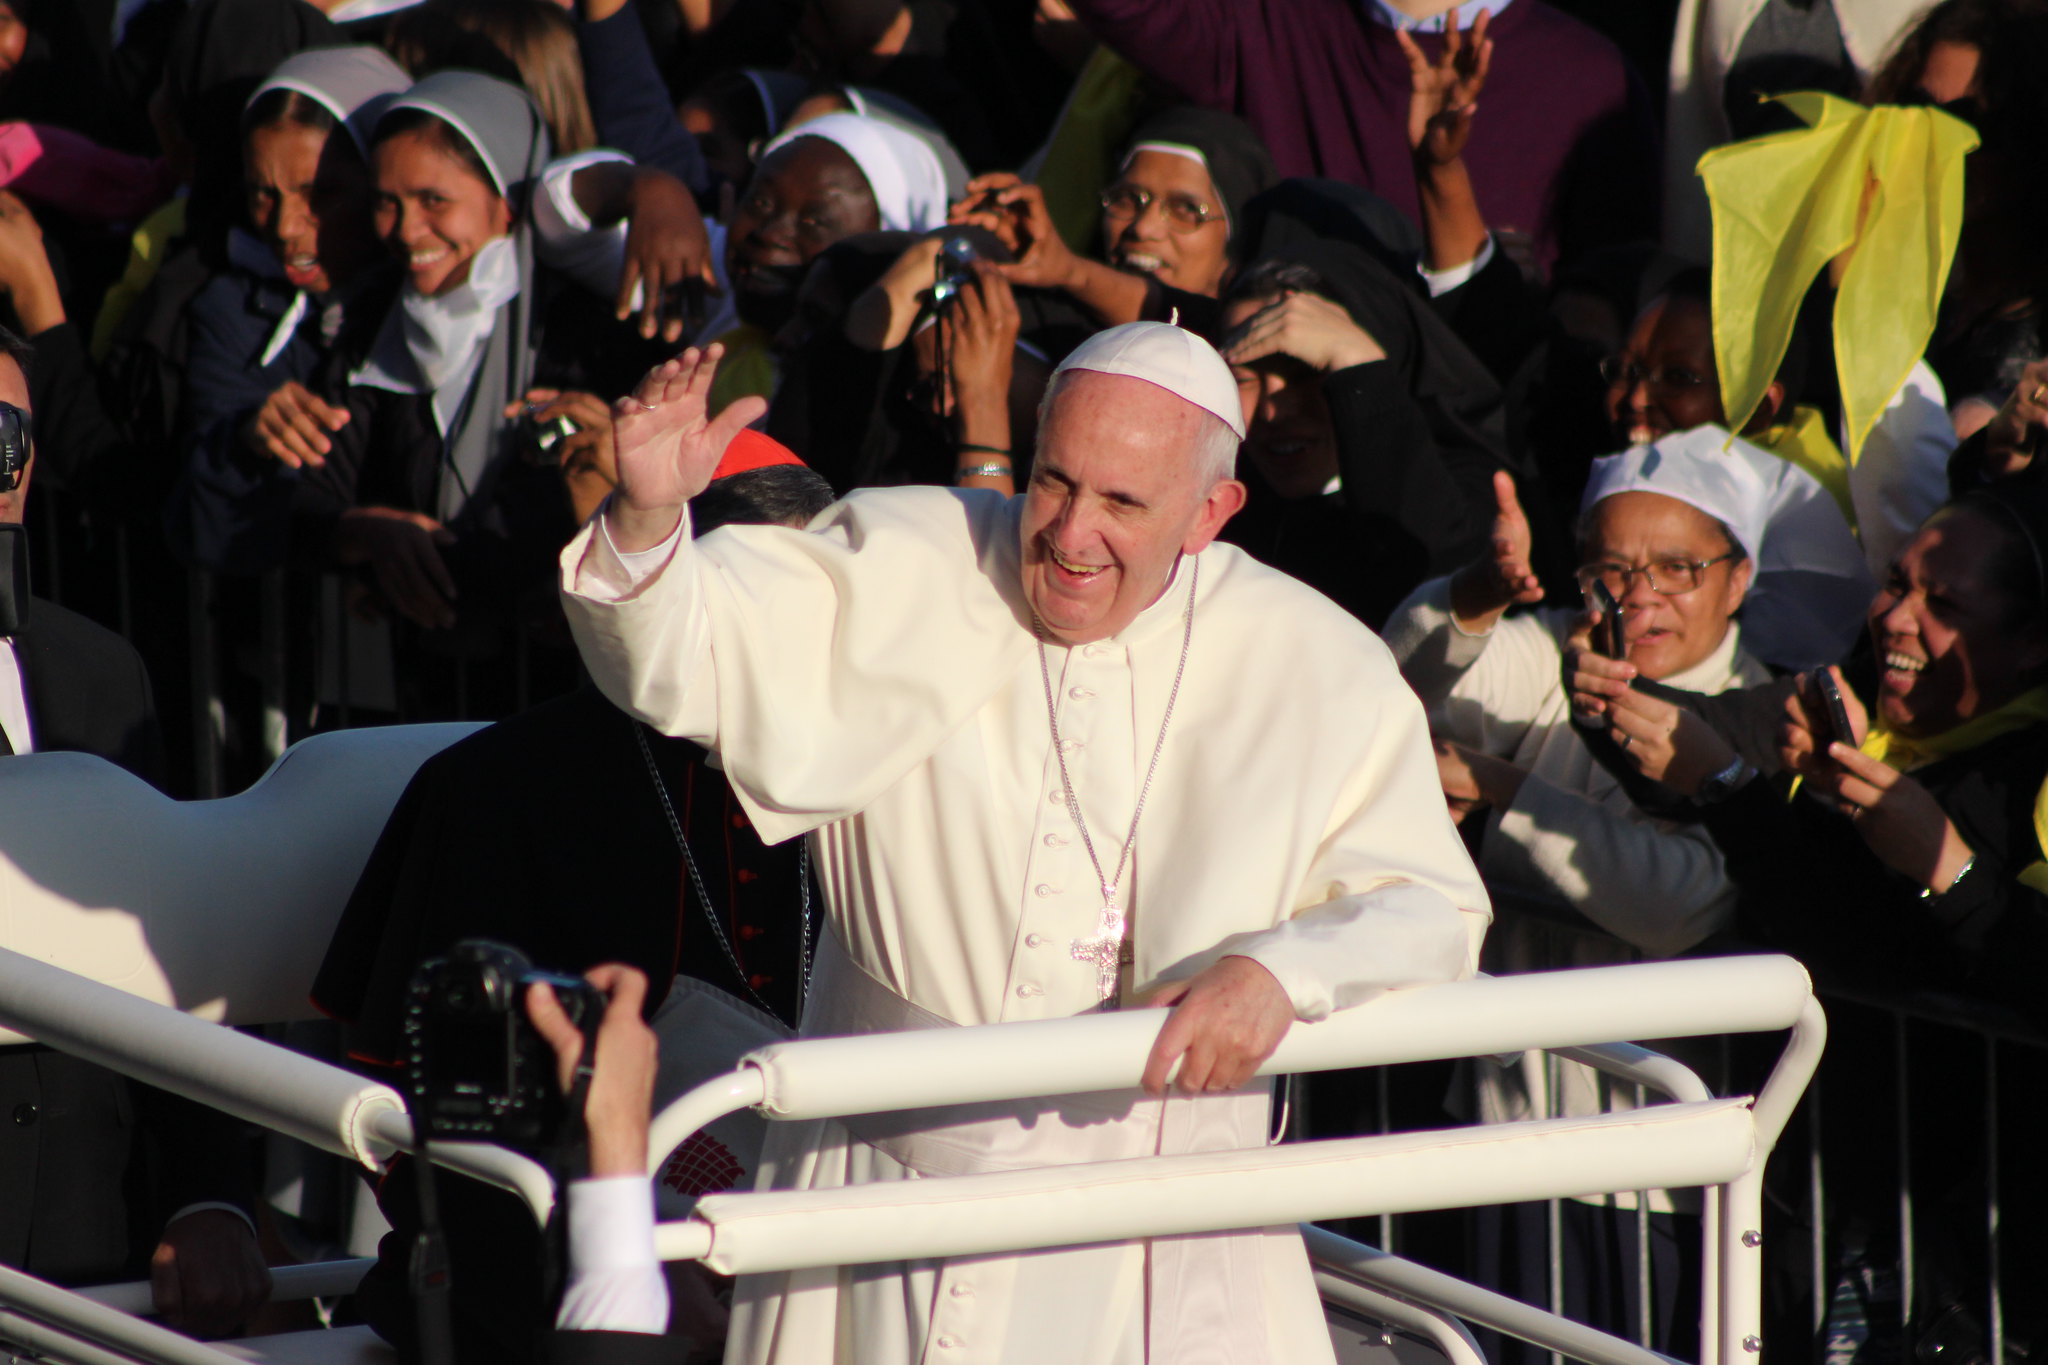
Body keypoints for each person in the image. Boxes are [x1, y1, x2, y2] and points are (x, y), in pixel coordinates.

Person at [555, 326, 1490, 1362]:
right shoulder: (909, 552)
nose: (1069, 532)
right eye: (1054, 482)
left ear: (1210, 511)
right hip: (882, 1193)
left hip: (1168, 1213)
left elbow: (1429, 906)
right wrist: (645, 515)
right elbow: (684, 655)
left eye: (1123, 503)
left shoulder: (1316, 658)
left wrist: (1278, 971)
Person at [314, 436, 831, 1365]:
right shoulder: (492, 791)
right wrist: (635, 1258)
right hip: (538, 1266)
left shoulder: (861, 779)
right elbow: (438, 1136)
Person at [0, 323, 269, 1337]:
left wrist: (207, 1198)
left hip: (86, 1214)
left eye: (8, 434)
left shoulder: (102, 672)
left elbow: (168, 942)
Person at [1217, 243, 1517, 629]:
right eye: (1242, 379)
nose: (1275, 411)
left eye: (1307, 372)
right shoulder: (1211, 497)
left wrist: (1357, 366)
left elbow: (1435, 578)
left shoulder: (1464, 490)